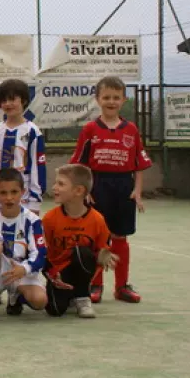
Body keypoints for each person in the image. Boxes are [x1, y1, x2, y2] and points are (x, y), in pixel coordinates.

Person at [70, 76, 151, 304]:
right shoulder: (90, 129)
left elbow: (139, 163)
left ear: (124, 100)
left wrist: (137, 190)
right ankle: (95, 285)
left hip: (124, 187)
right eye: (106, 97)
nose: (111, 101)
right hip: (98, 186)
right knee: (98, 238)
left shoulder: (131, 130)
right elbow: (79, 163)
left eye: (116, 97)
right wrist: (84, 189)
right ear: (98, 100)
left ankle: (122, 286)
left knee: (120, 237)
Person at [0, 168, 48, 325]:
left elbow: (40, 254)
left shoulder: (32, 221)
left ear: (23, 192)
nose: (9, 198)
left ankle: (16, 298)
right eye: (3, 193)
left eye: (14, 192)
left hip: (20, 271)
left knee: (40, 301)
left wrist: (24, 269)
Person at [42, 164, 116, 319]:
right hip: (59, 273)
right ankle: (69, 295)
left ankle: (83, 296)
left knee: (80, 251)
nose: (54, 187)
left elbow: (102, 251)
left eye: (61, 184)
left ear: (79, 191)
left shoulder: (97, 220)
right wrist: (51, 275)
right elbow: (42, 252)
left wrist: (105, 256)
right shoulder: (49, 219)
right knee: (55, 310)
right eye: (55, 183)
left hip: (83, 267)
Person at [0, 78, 46, 214]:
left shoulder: (33, 131)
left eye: (12, 99)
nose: (8, 104)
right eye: (4, 101)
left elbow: (37, 167)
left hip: (24, 194)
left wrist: (35, 201)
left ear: (24, 101)